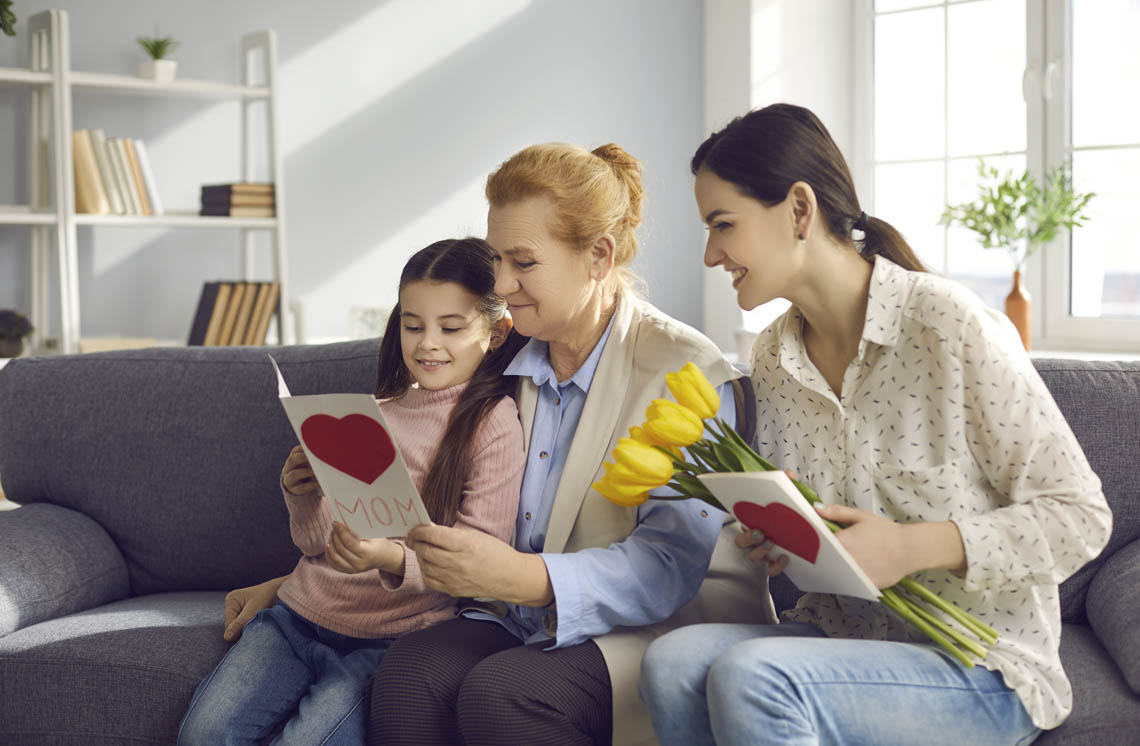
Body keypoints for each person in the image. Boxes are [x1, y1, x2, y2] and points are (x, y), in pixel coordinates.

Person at [638, 103, 1113, 746]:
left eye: (723, 224)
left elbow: (1081, 517)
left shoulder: (945, 323)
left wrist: (911, 547)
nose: (710, 254)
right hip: (844, 645)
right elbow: (825, 533)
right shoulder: (774, 356)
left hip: (981, 665)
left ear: (799, 211)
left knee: (755, 676)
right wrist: (785, 538)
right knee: (671, 664)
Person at [361, 142, 776, 746]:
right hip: (518, 613)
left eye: (522, 262)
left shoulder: (687, 373)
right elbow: (419, 450)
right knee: (408, 676)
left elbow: (666, 567)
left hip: (660, 624)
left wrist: (528, 578)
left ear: (598, 256)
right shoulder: (501, 352)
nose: (501, 283)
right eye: (498, 258)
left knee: (504, 693)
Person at [176, 237, 527, 746]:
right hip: (297, 616)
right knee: (203, 735)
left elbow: (481, 559)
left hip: (390, 640)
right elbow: (316, 545)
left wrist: (387, 557)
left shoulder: (494, 424)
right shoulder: (373, 410)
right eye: (412, 325)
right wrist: (303, 495)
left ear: (496, 333)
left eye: (450, 328)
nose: (428, 343)